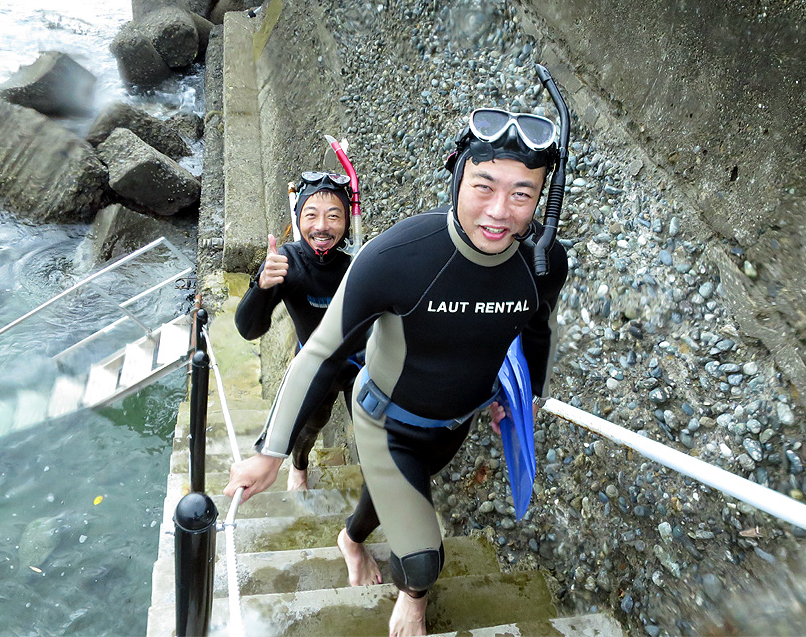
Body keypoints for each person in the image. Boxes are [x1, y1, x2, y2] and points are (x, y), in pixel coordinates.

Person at [224, 109, 569, 637]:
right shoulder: (397, 255)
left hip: (457, 423)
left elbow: (534, 331)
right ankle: (412, 602)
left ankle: (351, 539)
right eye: (484, 186)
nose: (500, 211)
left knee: (392, 497)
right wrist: (270, 452)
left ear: (542, 196)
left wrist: (526, 397)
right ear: (457, 178)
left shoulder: (544, 264)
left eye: (523, 193)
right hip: (386, 422)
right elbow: (319, 353)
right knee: (424, 558)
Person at [233, 170, 361, 491]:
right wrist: (262, 287)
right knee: (310, 426)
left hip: (361, 364)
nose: (321, 226)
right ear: (298, 217)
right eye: (311, 215)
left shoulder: (361, 261)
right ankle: (300, 467)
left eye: (334, 216)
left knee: (372, 429)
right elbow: (249, 329)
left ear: (347, 221)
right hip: (314, 365)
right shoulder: (284, 263)